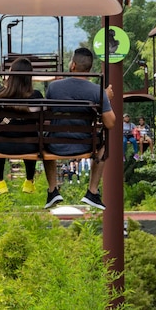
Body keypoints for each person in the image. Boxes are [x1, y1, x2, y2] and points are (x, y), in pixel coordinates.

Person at [42, 47, 115, 210]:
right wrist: (105, 99)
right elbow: (110, 123)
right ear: (89, 69)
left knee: (44, 140)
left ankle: (53, 190)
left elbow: (47, 114)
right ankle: (92, 191)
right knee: (103, 143)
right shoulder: (97, 91)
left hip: (54, 145)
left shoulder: (54, 87)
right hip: (85, 145)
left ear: (73, 65)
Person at [0, 46, 43, 195]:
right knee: (30, 136)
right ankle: (29, 180)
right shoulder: (36, 96)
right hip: (29, 148)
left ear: (11, 74)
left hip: (1, 148)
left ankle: (0, 181)